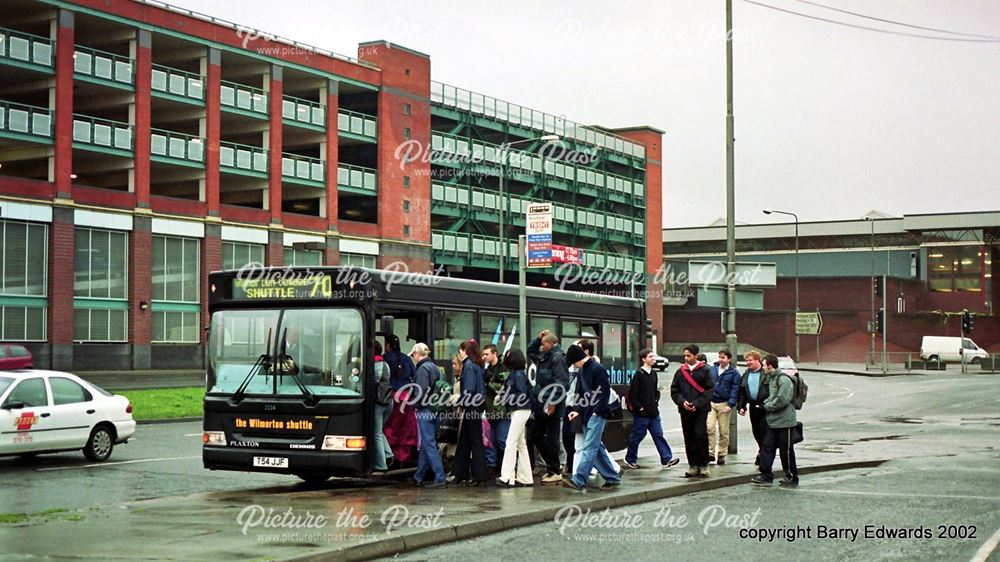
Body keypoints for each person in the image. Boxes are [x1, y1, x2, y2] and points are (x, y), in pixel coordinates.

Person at [562, 343, 622, 491]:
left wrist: (596, 411)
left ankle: (579, 479)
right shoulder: (587, 369)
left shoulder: (596, 369)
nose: (573, 366)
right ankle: (612, 478)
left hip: (596, 414)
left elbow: (604, 392)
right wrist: (578, 411)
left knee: (589, 447)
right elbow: (583, 394)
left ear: (576, 359)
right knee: (596, 449)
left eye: (573, 362)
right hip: (590, 413)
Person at [624, 348, 680, 470]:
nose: (653, 359)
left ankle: (666, 459)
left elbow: (655, 391)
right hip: (642, 414)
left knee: (658, 435)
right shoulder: (639, 374)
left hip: (653, 412)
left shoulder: (653, 373)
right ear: (643, 359)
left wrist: (655, 401)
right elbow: (633, 395)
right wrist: (640, 408)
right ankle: (630, 458)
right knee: (637, 436)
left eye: (653, 357)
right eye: (650, 357)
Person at [527, 330, 570, 484]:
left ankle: (555, 470)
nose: (541, 347)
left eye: (544, 344)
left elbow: (562, 383)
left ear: (551, 344)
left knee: (552, 439)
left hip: (552, 406)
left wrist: (553, 403)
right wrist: (538, 338)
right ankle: (552, 468)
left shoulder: (558, 358)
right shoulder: (544, 356)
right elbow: (530, 351)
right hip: (540, 403)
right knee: (536, 435)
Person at [751, 354, 799, 487]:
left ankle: (791, 476)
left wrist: (766, 406)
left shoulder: (784, 380)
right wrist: (764, 403)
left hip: (785, 421)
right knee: (767, 446)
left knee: (786, 450)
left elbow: (783, 399)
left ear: (770, 366)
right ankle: (766, 474)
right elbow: (772, 396)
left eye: (764, 365)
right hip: (772, 420)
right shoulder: (771, 378)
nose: (763, 367)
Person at [670, 344, 715, 478]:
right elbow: (674, 390)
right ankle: (693, 465)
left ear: (696, 356)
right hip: (685, 410)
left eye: (689, 355)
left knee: (700, 434)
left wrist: (697, 404)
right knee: (689, 437)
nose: (686, 358)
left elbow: (710, 390)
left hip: (700, 409)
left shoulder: (706, 370)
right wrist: (682, 402)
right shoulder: (680, 372)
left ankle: (704, 464)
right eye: (685, 355)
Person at [450, 340, 488, 486]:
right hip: (475, 406)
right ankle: (463, 473)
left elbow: (469, 389)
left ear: (465, 350)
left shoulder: (469, 366)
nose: (459, 353)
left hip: (471, 406)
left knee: (473, 441)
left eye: (460, 350)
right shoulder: (474, 365)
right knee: (466, 441)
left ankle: (476, 476)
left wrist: (461, 401)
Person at [409, 343, 447, 488]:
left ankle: (440, 477)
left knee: (429, 444)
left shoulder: (423, 369)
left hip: (426, 410)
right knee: (427, 443)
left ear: (418, 354)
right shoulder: (436, 368)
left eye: (413, 355)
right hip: (436, 409)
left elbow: (421, 392)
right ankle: (418, 476)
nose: (413, 358)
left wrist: (415, 405)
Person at [496, 349, 533, 487]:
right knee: (520, 444)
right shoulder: (518, 374)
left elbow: (521, 394)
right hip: (521, 410)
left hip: (520, 410)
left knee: (511, 442)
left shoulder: (517, 375)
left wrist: (504, 397)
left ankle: (506, 477)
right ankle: (525, 477)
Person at [706, 349, 741, 465]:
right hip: (711, 402)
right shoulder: (712, 369)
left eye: (723, 357)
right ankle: (710, 453)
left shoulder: (734, 373)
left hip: (724, 403)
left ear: (729, 359)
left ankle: (722, 454)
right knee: (709, 427)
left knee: (724, 430)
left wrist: (731, 404)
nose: (721, 359)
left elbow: (735, 389)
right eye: (719, 357)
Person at [737, 350, 770, 466]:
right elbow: (742, 392)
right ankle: (762, 451)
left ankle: (764, 455)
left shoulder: (766, 374)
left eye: (750, 360)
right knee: (756, 431)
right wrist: (741, 406)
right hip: (753, 407)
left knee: (764, 431)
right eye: (747, 361)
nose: (748, 363)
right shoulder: (746, 374)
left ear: (757, 360)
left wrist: (767, 404)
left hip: (765, 407)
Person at [482, 344, 510, 474]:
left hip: (502, 411)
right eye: (484, 354)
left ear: (494, 354)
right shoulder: (488, 369)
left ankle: (509, 467)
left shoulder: (503, 368)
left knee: (502, 441)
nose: (484, 357)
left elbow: (503, 388)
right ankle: (491, 466)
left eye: (487, 354)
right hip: (491, 410)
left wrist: (489, 383)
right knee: (491, 441)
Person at [371, 341, 394, 471]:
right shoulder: (385, 364)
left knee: (376, 433)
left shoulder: (372, 365)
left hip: (378, 402)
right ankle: (388, 454)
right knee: (379, 431)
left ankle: (381, 464)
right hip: (389, 401)